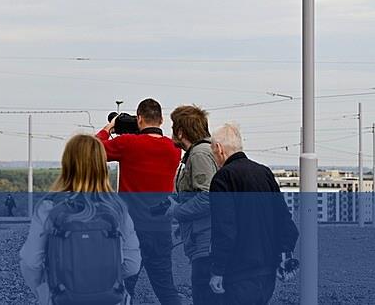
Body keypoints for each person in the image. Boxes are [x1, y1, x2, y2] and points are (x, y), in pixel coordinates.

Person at [20, 134, 141, 304]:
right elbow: (132, 265)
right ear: (101, 167)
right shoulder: (118, 209)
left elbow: (31, 262)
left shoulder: (49, 207)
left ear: (67, 165)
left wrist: (43, 291)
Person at [96, 98, 182, 305]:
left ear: (139, 118)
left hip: (130, 230)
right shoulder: (174, 149)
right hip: (161, 230)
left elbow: (91, 149)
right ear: (161, 120)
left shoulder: (128, 143)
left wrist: (110, 126)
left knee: (124, 287)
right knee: (166, 288)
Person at [209, 123, 298, 304]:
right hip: (267, 273)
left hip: (238, 273)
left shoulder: (222, 178)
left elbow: (225, 230)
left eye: (212, 151)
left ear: (219, 149)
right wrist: (283, 255)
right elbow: (284, 219)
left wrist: (217, 271)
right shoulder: (263, 172)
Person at [167, 105, 219, 305]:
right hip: (202, 237)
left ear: (180, 131)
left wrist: (177, 211)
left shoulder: (199, 154)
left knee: (203, 295)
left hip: (205, 242)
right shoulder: (205, 151)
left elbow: (207, 196)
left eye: (173, 127)